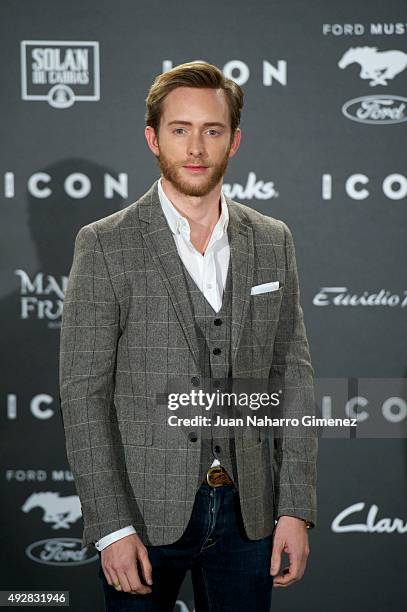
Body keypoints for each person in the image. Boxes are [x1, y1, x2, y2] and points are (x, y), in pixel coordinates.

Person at [59, 60, 318, 611]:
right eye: (180, 130)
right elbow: (83, 397)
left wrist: (294, 509)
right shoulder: (105, 245)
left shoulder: (273, 240)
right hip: (143, 517)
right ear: (154, 138)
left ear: (235, 140)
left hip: (251, 516)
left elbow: (291, 379)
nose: (196, 147)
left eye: (212, 130)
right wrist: (109, 527)